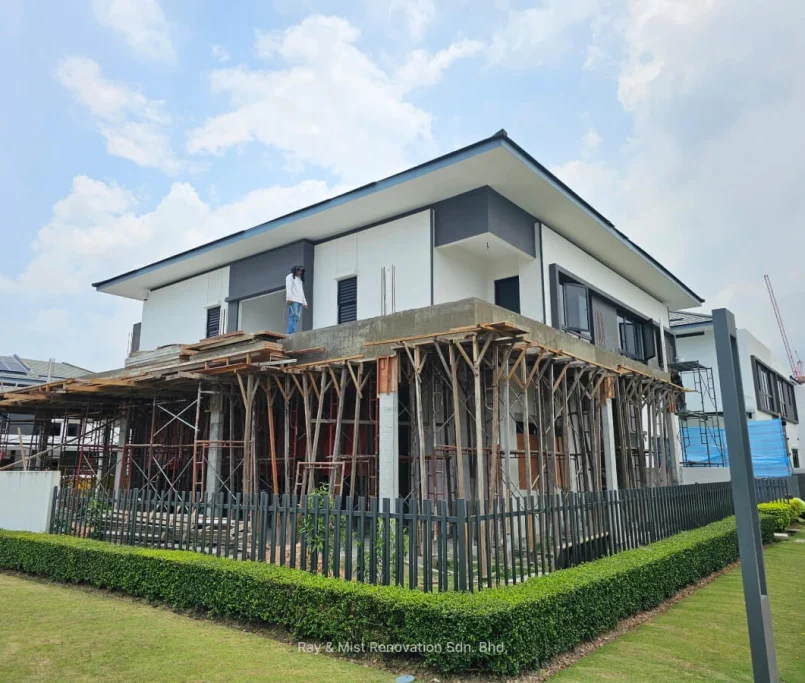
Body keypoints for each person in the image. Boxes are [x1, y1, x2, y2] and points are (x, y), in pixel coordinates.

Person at [285, 265, 307, 334]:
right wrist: (289, 298)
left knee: (297, 317)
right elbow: (288, 287)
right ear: (295, 270)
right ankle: (290, 333)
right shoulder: (290, 277)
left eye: (301, 271)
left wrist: (304, 302)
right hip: (293, 300)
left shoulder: (299, 279)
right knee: (293, 316)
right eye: (299, 270)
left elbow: (301, 291)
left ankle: (292, 331)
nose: (300, 272)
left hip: (299, 301)